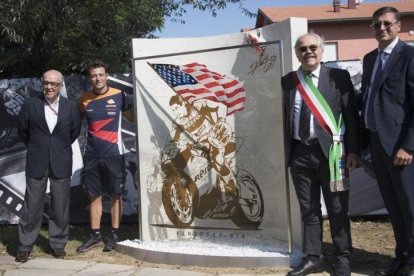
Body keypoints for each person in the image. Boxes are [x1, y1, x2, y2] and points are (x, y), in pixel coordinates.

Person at [281, 32, 360, 275]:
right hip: (299, 153)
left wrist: (354, 151)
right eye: (303, 48)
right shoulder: (288, 81)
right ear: (297, 53)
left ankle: (342, 257)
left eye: (313, 47)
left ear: (322, 51)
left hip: (332, 154)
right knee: (309, 208)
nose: (308, 52)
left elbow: (351, 116)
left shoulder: (338, 77)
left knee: (337, 208)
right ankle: (313, 257)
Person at [361, 6, 414, 276]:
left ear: (398, 25)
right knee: (393, 206)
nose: (381, 28)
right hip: (376, 144)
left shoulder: (410, 55)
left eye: (386, 23)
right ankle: (401, 259)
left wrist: (409, 145)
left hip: (401, 147)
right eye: (376, 24)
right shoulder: (370, 58)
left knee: (410, 205)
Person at [16, 70, 81, 262]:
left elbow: (74, 132)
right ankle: (24, 246)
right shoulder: (30, 104)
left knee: (60, 206)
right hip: (37, 160)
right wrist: (39, 147)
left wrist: (56, 148)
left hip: (61, 161)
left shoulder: (71, 106)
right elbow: (22, 131)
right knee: (31, 206)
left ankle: (58, 244)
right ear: (42, 84)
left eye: (54, 84)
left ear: (61, 86)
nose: (49, 87)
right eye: (46, 83)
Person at [77, 60, 134, 253]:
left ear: (107, 76)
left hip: (114, 155)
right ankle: (95, 236)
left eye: (101, 74)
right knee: (94, 196)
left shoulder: (120, 95)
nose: (97, 78)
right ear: (90, 78)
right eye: (94, 75)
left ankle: (115, 234)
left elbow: (132, 118)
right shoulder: (84, 100)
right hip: (91, 155)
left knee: (116, 196)